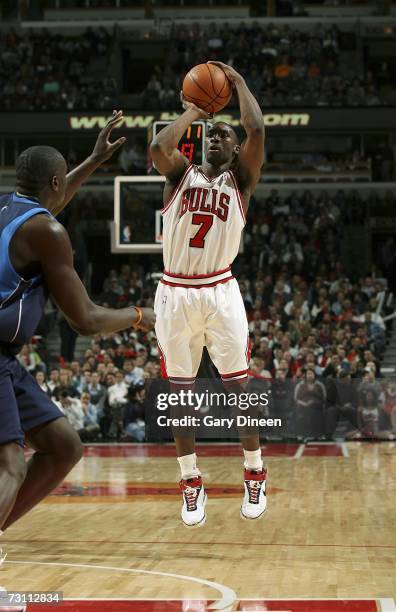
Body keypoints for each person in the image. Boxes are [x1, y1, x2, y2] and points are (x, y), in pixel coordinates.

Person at [0, 111, 155, 564]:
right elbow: (84, 321)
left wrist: (93, 160)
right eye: (63, 179)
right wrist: (140, 315)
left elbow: (51, 203)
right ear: (54, 179)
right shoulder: (48, 231)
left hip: (6, 358)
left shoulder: (11, 207)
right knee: (10, 465)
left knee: (65, 446)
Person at [150, 61, 265, 527]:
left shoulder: (242, 181)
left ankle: (254, 473)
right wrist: (193, 111)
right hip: (175, 291)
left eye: (223, 134)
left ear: (235, 148)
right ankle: (190, 482)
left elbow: (256, 127)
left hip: (220, 289)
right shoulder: (179, 177)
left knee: (240, 389)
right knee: (181, 396)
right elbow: (159, 147)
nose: (215, 137)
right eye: (209, 134)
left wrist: (237, 82)